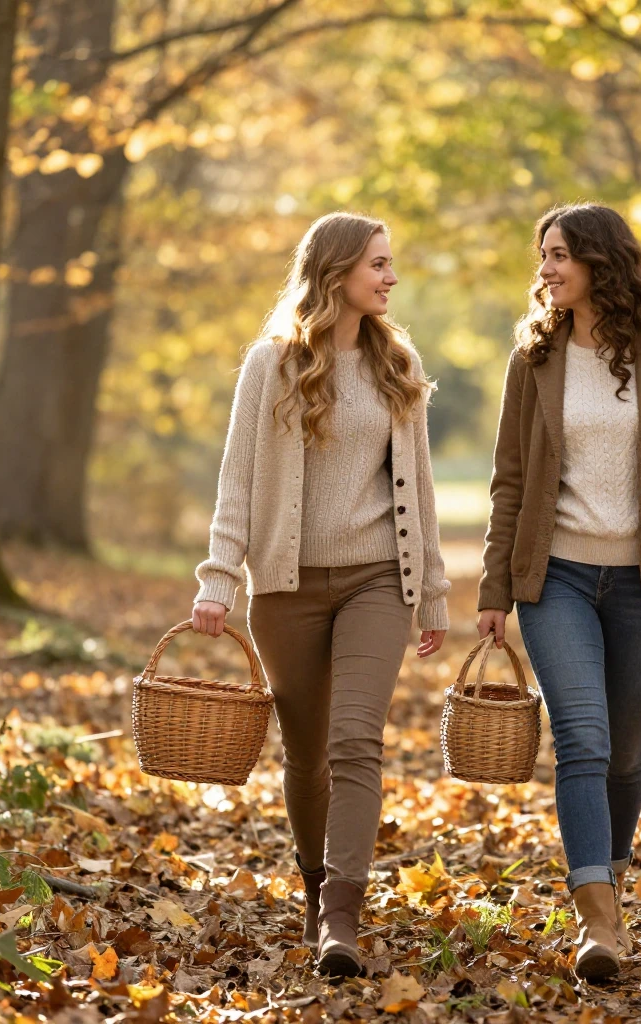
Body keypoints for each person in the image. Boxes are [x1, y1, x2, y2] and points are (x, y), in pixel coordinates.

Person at [477, 203, 641, 980]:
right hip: (554, 576)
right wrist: (496, 589)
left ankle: (613, 879)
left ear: (600, 261)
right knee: (583, 739)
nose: (547, 270)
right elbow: (508, 483)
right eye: (543, 257)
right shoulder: (533, 356)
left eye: (559, 254)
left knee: (626, 750)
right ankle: (596, 921)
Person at [192, 212, 450, 977]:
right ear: (336, 271)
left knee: (355, 741)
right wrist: (217, 578)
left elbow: (422, 492)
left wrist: (432, 592)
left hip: (378, 579)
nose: (390, 277)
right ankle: (314, 890)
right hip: (286, 588)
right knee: (306, 757)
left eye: (391, 263)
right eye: (378, 264)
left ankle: (342, 915)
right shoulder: (270, 365)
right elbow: (236, 480)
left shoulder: (396, 364)